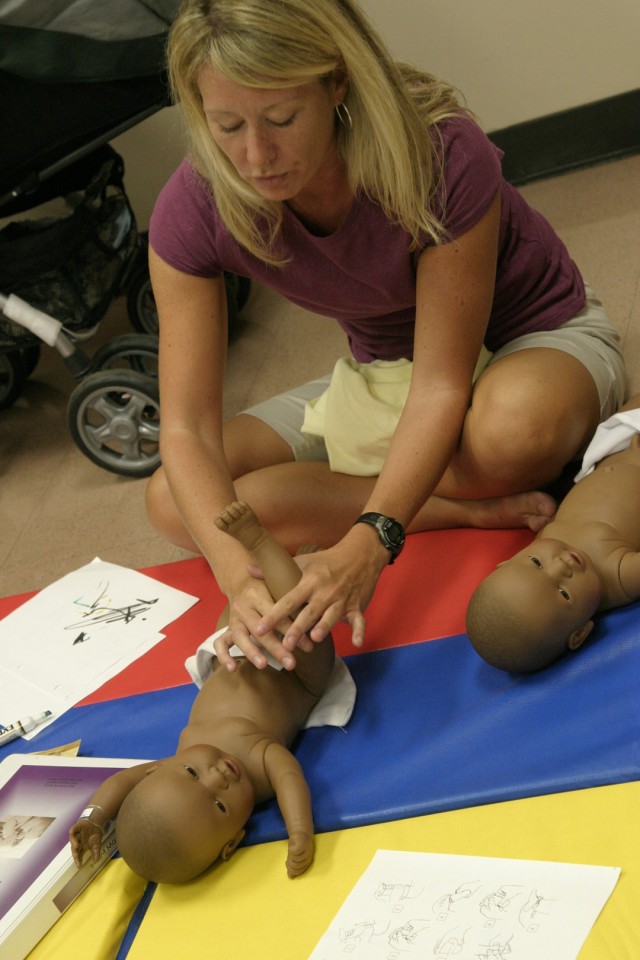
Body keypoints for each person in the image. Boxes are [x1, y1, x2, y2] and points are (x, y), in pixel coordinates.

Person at [144, 0, 627, 670]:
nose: (256, 156)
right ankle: (463, 507)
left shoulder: (440, 150)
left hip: (533, 339)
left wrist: (374, 536)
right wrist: (235, 569)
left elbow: (441, 385)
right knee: (178, 500)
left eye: (282, 119)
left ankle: (405, 492)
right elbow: (186, 432)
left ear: (336, 84)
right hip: (391, 375)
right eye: (227, 126)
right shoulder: (193, 207)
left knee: (512, 431)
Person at [69, 501, 353, 883]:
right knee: (295, 610)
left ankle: (277, 564)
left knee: (240, 604)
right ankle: (261, 543)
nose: (218, 777)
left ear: (168, 767)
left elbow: (120, 782)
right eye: (220, 805)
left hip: (231, 651)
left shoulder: (168, 766)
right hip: (297, 669)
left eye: (191, 772)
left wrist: (94, 815)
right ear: (233, 841)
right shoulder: (260, 768)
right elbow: (291, 780)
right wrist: (300, 831)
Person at [466, 395, 640, 673]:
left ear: (510, 560)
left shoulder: (547, 541)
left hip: (611, 449)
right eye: (563, 593)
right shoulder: (617, 574)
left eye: (536, 563)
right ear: (580, 632)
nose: (562, 565)